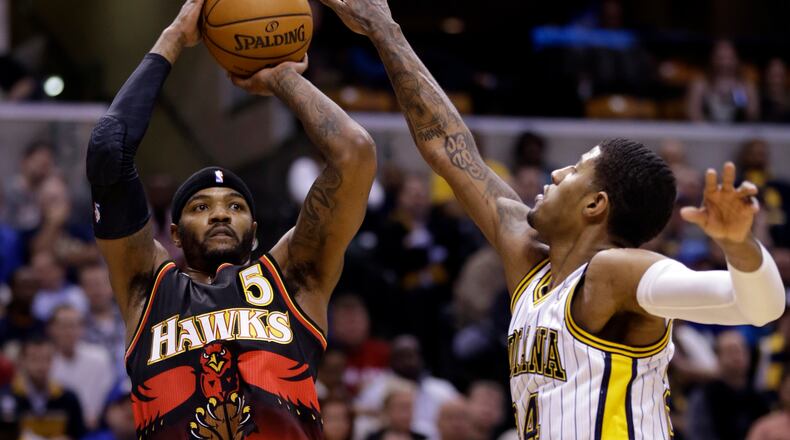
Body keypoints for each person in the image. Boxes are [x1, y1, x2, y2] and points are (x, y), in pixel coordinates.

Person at [318, 1, 786, 438]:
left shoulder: (618, 272)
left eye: (575, 171)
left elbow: (760, 308)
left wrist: (741, 246)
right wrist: (381, 31)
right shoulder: (530, 263)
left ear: (595, 205)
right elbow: (447, 145)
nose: (557, 172)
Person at [86, 0, 376, 438]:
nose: (220, 212)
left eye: (235, 206)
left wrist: (280, 77)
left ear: (255, 232)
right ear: (175, 234)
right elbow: (109, 149)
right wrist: (174, 38)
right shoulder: (148, 289)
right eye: (201, 207)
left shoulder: (295, 279)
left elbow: (355, 153)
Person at [0, 335, 85, 439]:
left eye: (47, 359)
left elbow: (80, 435)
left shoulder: (68, 398)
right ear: (21, 361)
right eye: (34, 359)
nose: (41, 365)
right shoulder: (6, 396)